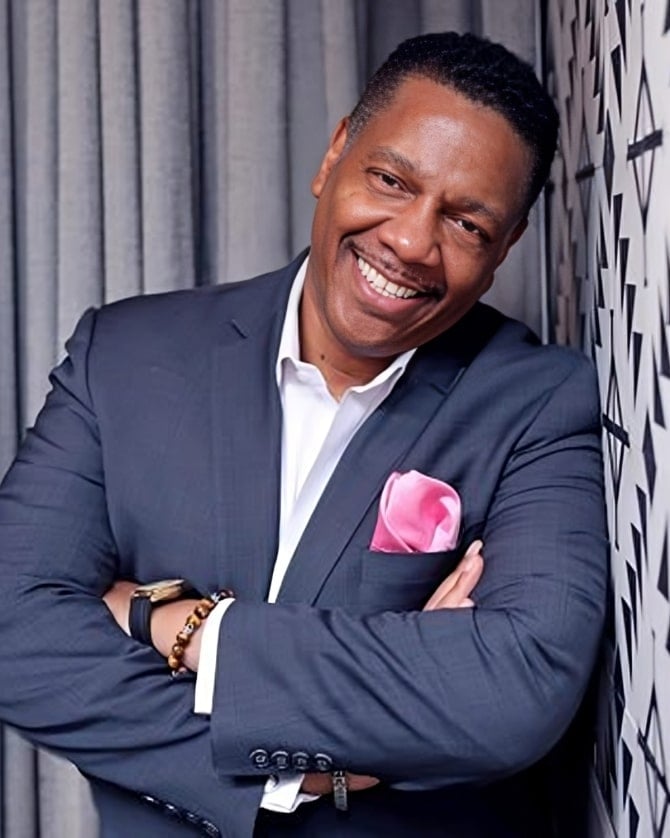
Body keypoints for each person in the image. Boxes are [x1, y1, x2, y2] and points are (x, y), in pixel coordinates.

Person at [0, 31, 607, 837]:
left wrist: (186, 627)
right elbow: (14, 627)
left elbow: (515, 690)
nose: (411, 242)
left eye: (465, 223)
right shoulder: (125, 356)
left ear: (506, 248)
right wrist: (292, 776)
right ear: (334, 155)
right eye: (391, 180)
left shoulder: (539, 402)